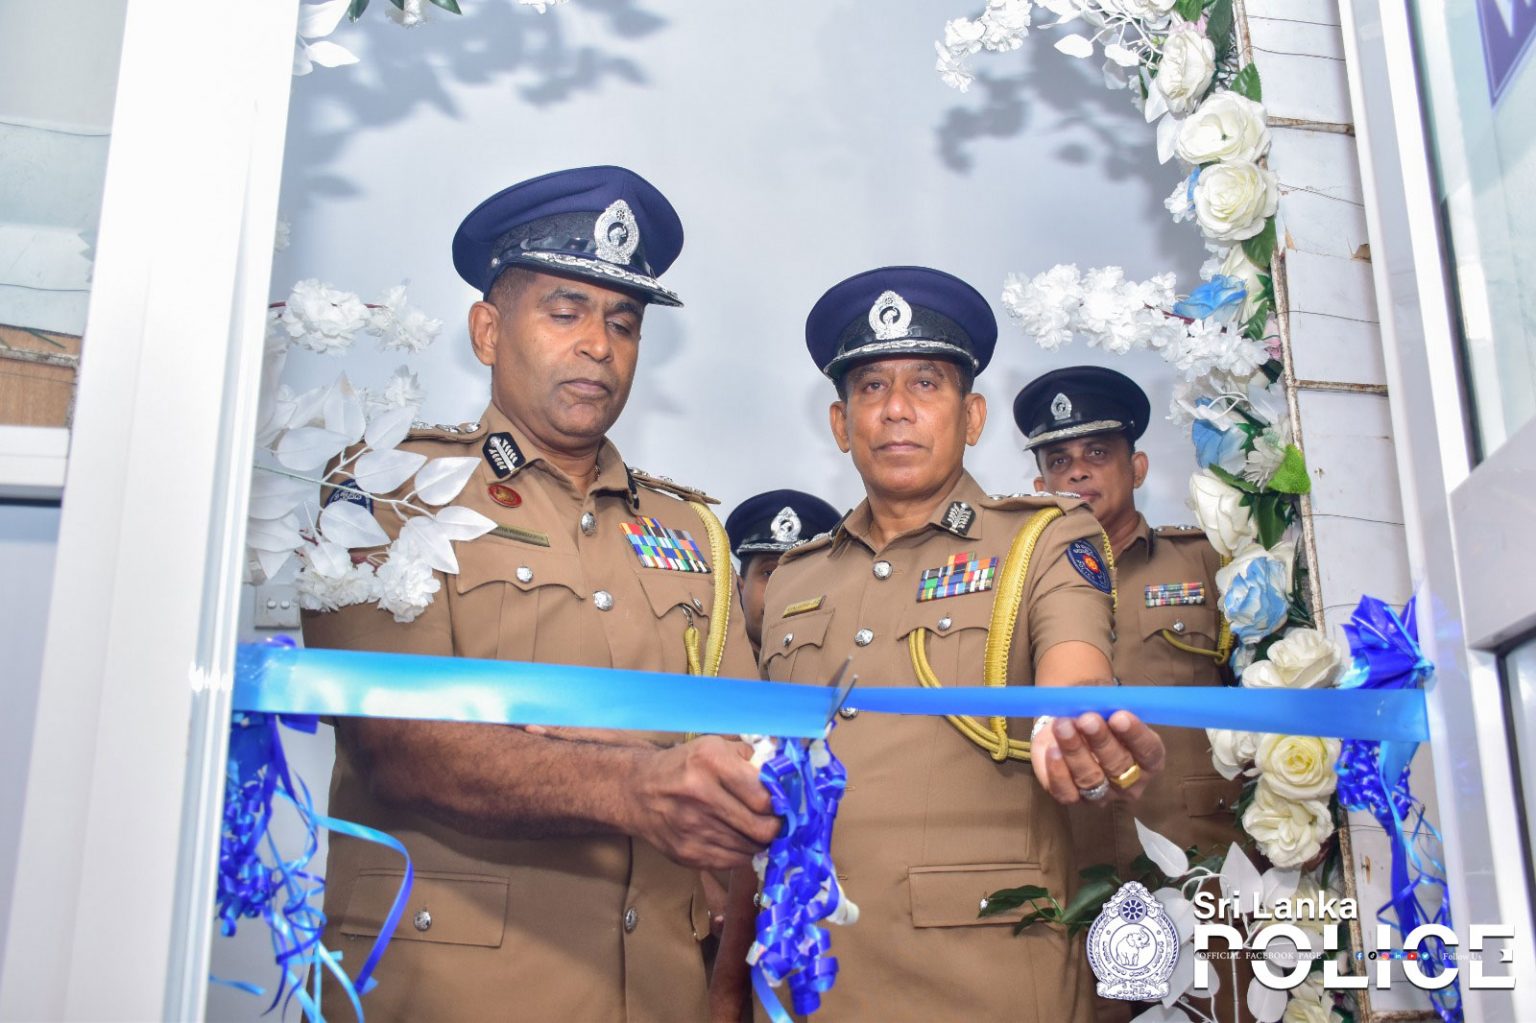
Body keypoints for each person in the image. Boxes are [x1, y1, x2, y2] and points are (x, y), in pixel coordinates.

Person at [301, 166, 778, 1022]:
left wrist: (726, 988)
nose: (599, 344)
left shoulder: (694, 532)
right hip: (451, 995)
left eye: (623, 323)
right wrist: (633, 785)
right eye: (566, 311)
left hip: (658, 992)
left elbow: (742, 760)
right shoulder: (389, 490)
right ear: (487, 330)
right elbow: (395, 743)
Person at [715, 267, 1168, 1022]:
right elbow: (760, 769)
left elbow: (1076, 670)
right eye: (872, 387)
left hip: (980, 978)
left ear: (972, 416)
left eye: (925, 383)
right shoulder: (795, 575)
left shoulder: (1045, 539)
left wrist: (1082, 727)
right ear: (841, 423)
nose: (897, 408)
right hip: (808, 976)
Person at [1014, 365, 1246, 1023]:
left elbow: (1263, 695)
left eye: (1097, 453)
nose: (1078, 472)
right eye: (1059, 461)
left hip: (1202, 862)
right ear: (1040, 485)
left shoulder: (1207, 563)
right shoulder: (1017, 593)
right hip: (1074, 873)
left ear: (1136, 467)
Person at [723, 489, 842, 658]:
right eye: (768, 573)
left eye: (799, 574)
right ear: (740, 587)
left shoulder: (849, 670)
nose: (782, 589)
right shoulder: (705, 669)